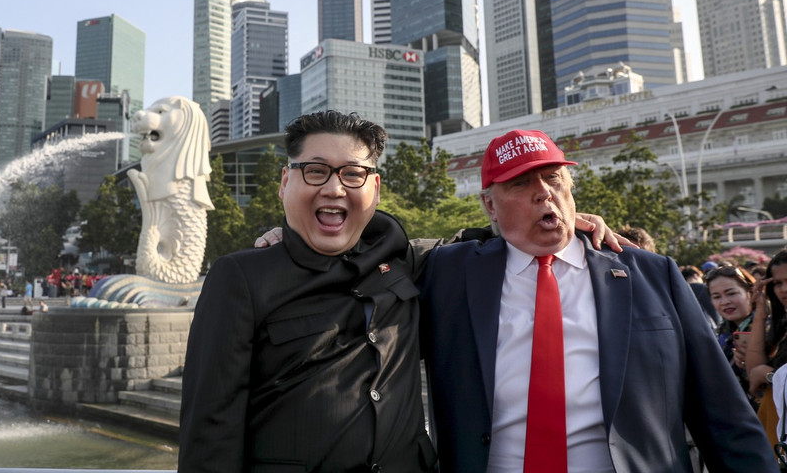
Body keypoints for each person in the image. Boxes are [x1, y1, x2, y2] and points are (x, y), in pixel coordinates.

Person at [179, 112, 627, 472]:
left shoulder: (407, 261)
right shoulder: (241, 277)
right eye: (315, 172)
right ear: (285, 183)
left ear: (374, 188)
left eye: (353, 174)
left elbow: (482, 242)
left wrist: (562, 222)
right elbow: (210, 428)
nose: (334, 187)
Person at [419, 128, 775, 472]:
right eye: (520, 183)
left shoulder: (652, 274)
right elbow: (385, 247)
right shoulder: (450, 274)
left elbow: (723, 413)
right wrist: (501, 233)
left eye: (553, 178)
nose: (543, 192)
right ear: (489, 205)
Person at [746, 248, 787, 447]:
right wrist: (761, 310)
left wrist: (769, 375)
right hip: (775, 432)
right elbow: (753, 371)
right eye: (777, 283)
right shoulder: (782, 324)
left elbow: (760, 373)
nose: (784, 289)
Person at [705, 265, 759, 408]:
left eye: (731, 293)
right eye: (717, 297)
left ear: (751, 291)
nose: (725, 302)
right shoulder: (721, 332)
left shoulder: (771, 328)